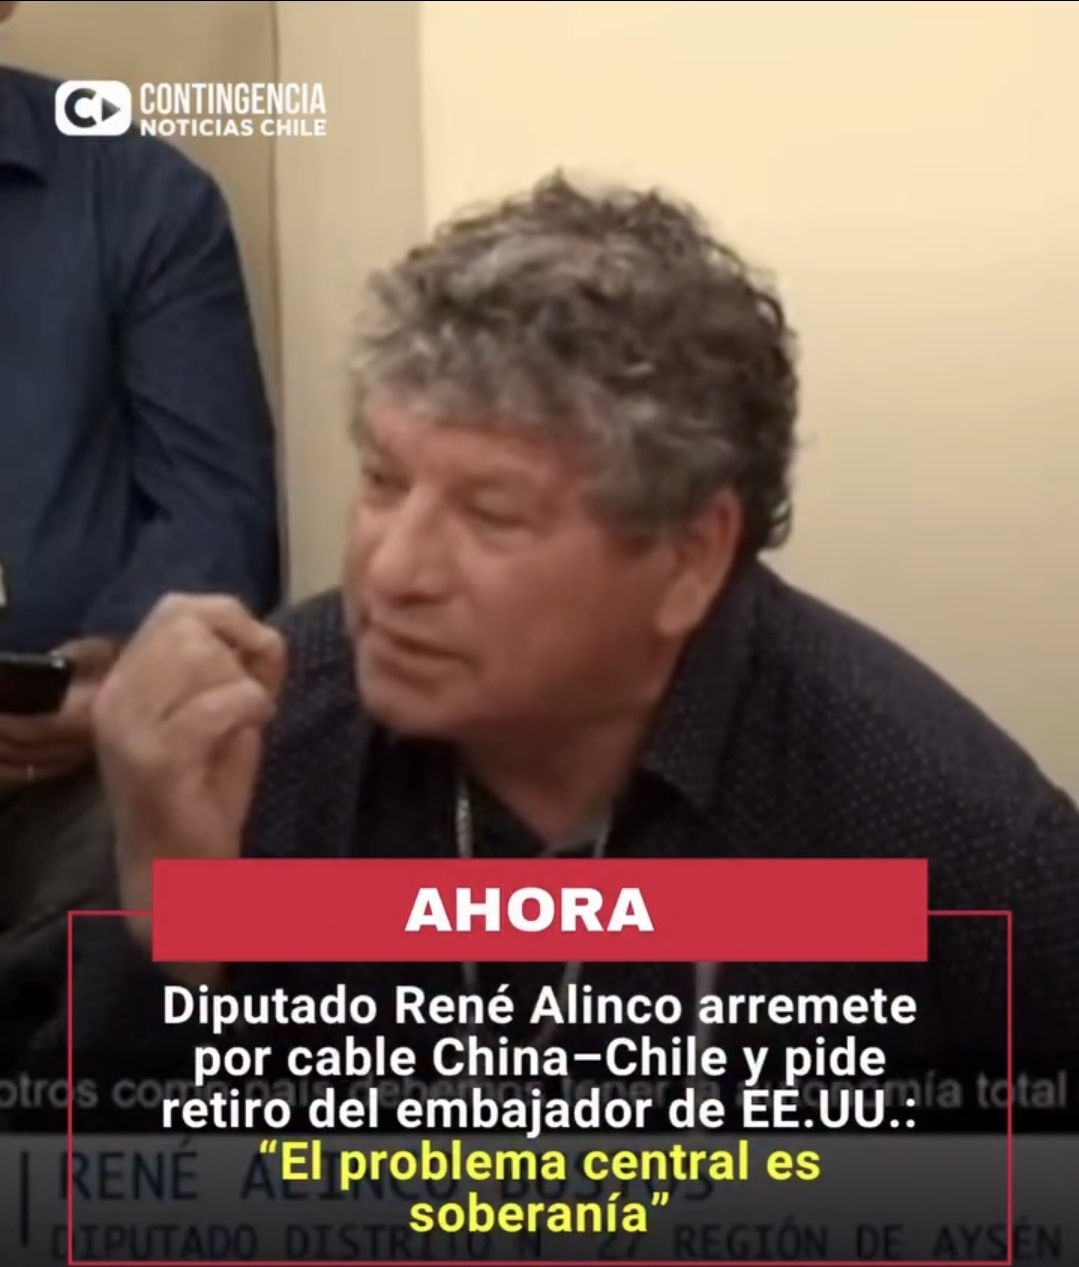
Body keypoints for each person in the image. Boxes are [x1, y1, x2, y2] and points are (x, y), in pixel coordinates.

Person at [56, 174, 1078, 1114]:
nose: (394, 570)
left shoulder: (951, 841)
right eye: (383, 481)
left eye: (491, 513)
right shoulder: (262, 740)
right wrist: (178, 924)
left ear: (688, 554)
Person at [0, 10, 281, 1069]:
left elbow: (218, 511)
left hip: (72, 761)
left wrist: (113, 682)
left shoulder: (138, 190)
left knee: (161, 877)